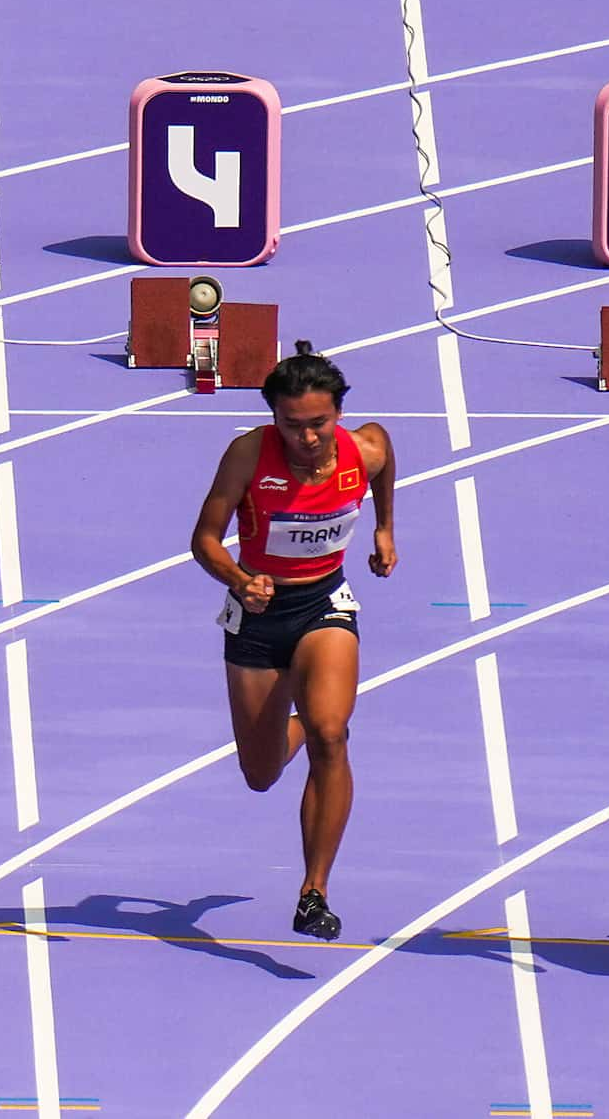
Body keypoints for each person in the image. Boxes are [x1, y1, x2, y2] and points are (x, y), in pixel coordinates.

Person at [189, 345, 396, 941]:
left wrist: (384, 527)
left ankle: (314, 891)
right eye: (292, 425)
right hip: (257, 614)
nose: (306, 438)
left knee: (334, 734)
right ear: (274, 419)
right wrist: (238, 579)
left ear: (338, 415)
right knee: (261, 772)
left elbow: (386, 465)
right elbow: (204, 538)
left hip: (324, 604)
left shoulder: (366, 448)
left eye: (318, 424)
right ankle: (305, 718)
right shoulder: (249, 454)